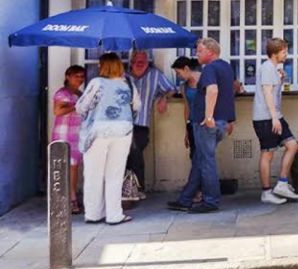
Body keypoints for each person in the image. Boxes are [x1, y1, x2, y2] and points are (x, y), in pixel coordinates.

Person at [167, 37, 236, 214]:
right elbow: (230, 93)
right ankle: (185, 199)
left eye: (199, 51)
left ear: (210, 52)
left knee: (206, 162)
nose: (196, 54)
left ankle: (211, 201)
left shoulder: (210, 69)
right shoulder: (226, 67)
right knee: (199, 160)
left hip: (207, 123)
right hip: (220, 121)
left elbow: (213, 90)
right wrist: (230, 119)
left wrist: (209, 116)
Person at [76, 52, 139, 225]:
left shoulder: (97, 83)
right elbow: (137, 107)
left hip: (98, 131)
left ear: (103, 66)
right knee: (115, 174)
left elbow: (81, 107)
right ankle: (114, 214)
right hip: (123, 131)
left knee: (93, 174)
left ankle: (94, 213)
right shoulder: (129, 84)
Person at [253, 38, 298, 204]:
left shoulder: (273, 68)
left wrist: (280, 81)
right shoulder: (267, 68)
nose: (286, 54)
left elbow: (272, 92)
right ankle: (266, 192)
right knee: (267, 154)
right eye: (284, 51)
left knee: (292, 145)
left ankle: (282, 183)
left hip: (275, 116)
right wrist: (274, 117)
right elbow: (267, 93)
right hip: (266, 118)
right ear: (274, 54)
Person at [125, 50, 176, 195]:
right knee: (123, 157)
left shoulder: (155, 75)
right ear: (131, 62)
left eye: (143, 61)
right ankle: (125, 189)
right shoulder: (124, 76)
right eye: (137, 61)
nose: (140, 64)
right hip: (122, 124)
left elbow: (171, 89)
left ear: (148, 63)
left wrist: (164, 98)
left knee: (136, 155)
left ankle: (138, 188)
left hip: (141, 124)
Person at [52, 65, 86, 214]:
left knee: (74, 166)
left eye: (81, 76)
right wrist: (76, 106)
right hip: (63, 133)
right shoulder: (62, 93)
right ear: (68, 76)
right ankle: (69, 199)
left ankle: (72, 196)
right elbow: (58, 111)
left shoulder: (80, 93)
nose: (80, 79)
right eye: (76, 76)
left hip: (77, 133)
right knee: (66, 166)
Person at [171, 56, 203, 204]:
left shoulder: (204, 81)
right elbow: (187, 108)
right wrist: (186, 130)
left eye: (179, 73)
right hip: (192, 124)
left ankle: (197, 191)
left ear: (186, 69)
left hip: (204, 124)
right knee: (194, 157)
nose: (178, 76)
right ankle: (197, 190)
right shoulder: (184, 87)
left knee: (202, 158)